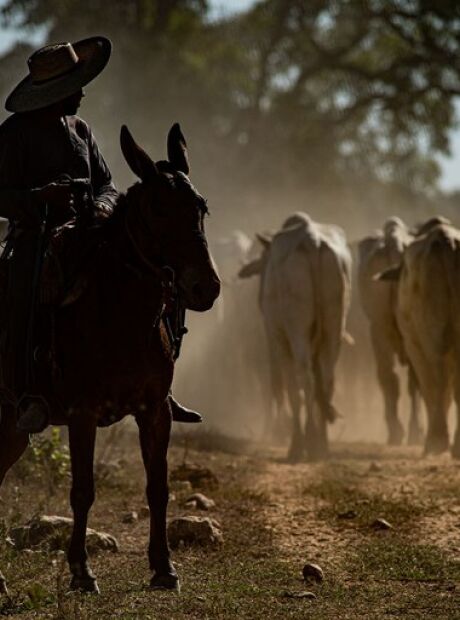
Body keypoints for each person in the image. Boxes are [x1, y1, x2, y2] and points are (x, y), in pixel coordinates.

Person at [0, 36, 201, 432]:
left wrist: (105, 206)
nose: (82, 93)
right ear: (57, 90)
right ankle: (27, 392)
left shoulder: (81, 130)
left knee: (154, 271)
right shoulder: (14, 135)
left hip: (90, 229)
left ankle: (158, 380)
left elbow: (107, 184)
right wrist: (39, 198)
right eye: (75, 86)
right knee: (24, 288)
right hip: (36, 237)